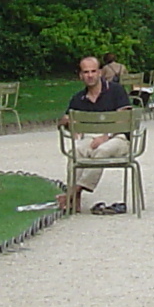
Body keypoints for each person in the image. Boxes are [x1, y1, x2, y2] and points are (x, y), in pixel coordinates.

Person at [55, 55, 133, 213]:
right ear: (81, 75)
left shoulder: (116, 91)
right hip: (91, 137)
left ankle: (72, 193)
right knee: (75, 152)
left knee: (101, 150)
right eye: (86, 72)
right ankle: (74, 200)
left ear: (100, 73)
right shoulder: (78, 99)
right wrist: (65, 122)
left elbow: (125, 120)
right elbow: (69, 125)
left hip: (118, 137)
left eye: (93, 71)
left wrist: (106, 136)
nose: (90, 75)